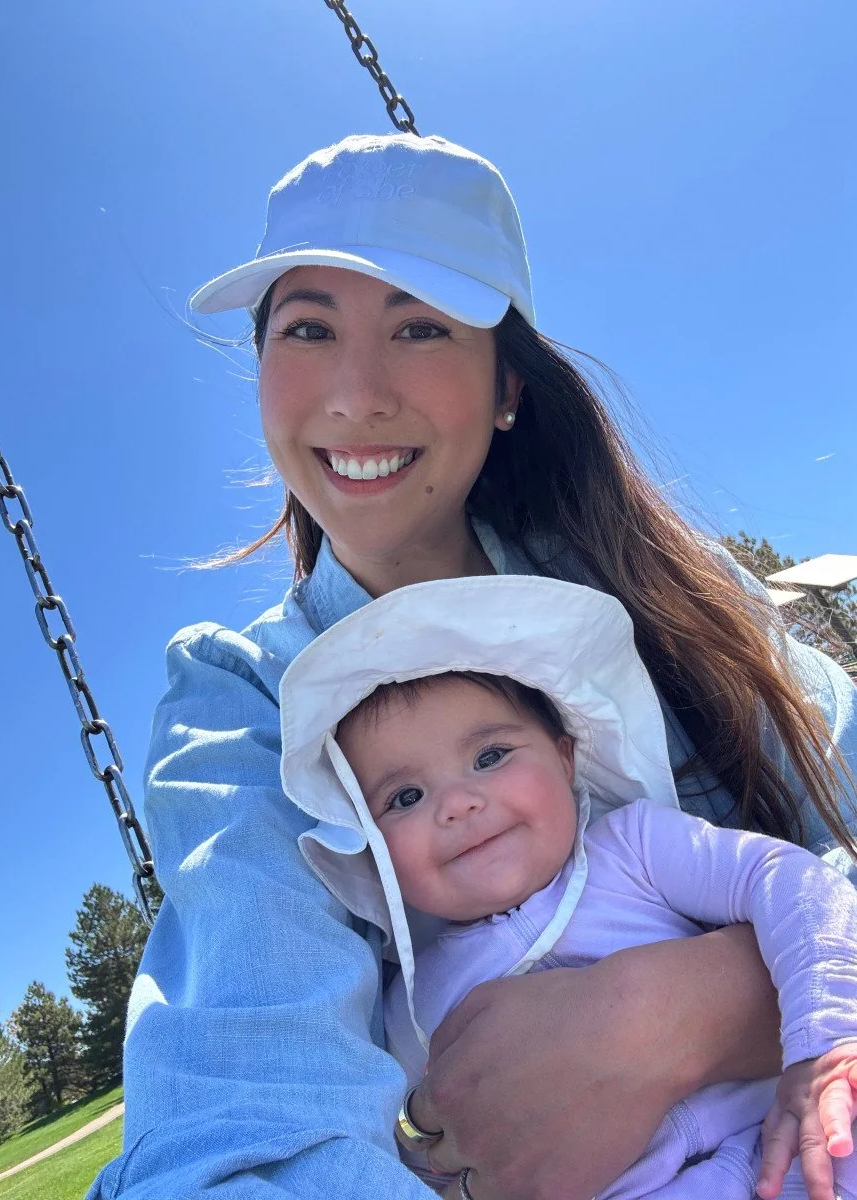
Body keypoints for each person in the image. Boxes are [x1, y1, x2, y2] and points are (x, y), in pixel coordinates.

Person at [87, 132, 857, 1200]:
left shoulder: (679, 594)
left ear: (508, 387)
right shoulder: (243, 700)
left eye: (420, 326)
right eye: (307, 328)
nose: (355, 395)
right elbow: (250, 1111)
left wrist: (685, 1012)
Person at [276, 572, 857, 1200]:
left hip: (789, 1148)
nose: (460, 803)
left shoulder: (634, 849)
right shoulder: (407, 1007)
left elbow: (787, 879)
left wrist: (822, 1044)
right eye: (406, 797)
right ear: (372, 852)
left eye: (490, 756)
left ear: (565, 757)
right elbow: (433, 1151)